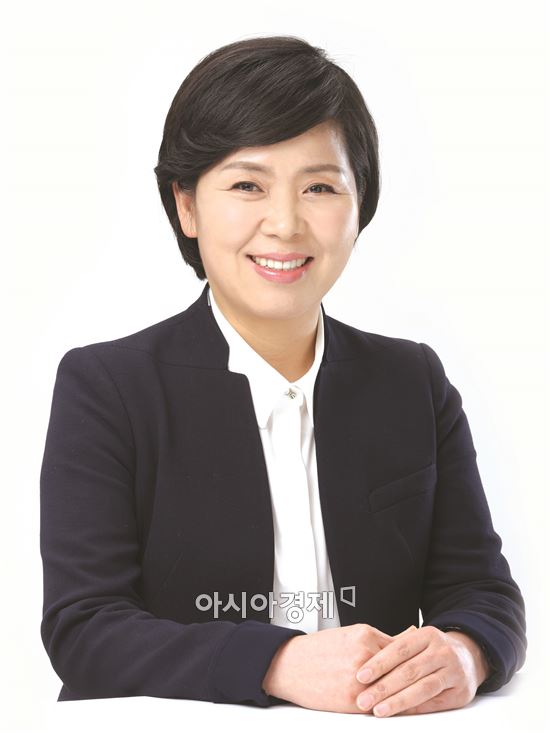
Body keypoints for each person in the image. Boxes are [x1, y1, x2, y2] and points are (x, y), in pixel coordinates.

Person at [39, 35, 527, 717]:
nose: (285, 223)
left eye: (319, 187)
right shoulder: (108, 388)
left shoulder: (411, 381)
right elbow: (85, 629)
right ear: (187, 206)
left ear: (360, 205)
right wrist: (277, 662)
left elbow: (483, 592)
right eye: (247, 185)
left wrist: (465, 652)